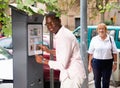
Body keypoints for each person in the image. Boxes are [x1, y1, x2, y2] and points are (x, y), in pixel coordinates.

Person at [35, 12, 86, 88]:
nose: (50, 26)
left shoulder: (64, 37)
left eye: (51, 23)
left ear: (59, 21)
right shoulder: (62, 34)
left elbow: (62, 65)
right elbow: (64, 53)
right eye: (47, 24)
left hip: (71, 77)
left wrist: (43, 61)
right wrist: (48, 51)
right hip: (71, 75)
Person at [88, 23, 118, 88]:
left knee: (106, 81)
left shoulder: (110, 39)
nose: (101, 30)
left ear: (105, 30)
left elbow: (115, 52)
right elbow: (91, 53)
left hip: (108, 62)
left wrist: (115, 63)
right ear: (97, 30)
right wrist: (89, 64)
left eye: (103, 29)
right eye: (99, 29)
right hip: (96, 62)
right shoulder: (94, 39)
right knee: (97, 80)